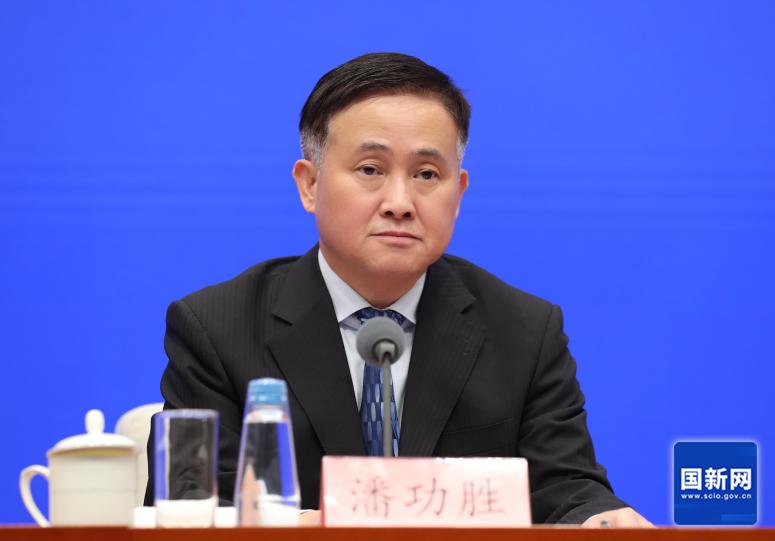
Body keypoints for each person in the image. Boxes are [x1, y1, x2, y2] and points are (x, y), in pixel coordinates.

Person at [147, 52, 652, 527]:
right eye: (370, 170)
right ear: (309, 184)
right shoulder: (217, 328)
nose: (400, 202)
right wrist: (306, 527)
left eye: (427, 174)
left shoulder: (524, 331)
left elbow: (567, 487)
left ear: (458, 193)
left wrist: (600, 520)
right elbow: (187, 504)